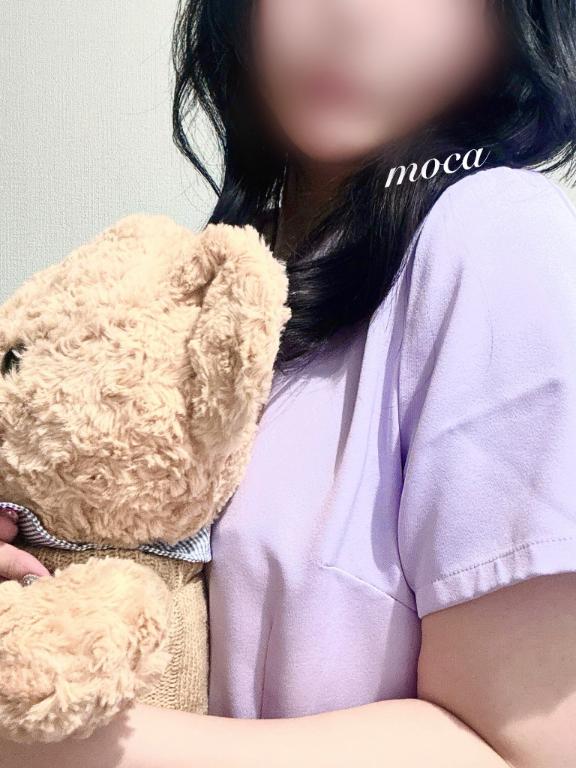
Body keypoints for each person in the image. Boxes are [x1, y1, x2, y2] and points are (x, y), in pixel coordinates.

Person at [2, 1, 576, 766]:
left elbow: (525, 750)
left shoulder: (499, 235)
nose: (349, 16)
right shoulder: (213, 268)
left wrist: (52, 746)